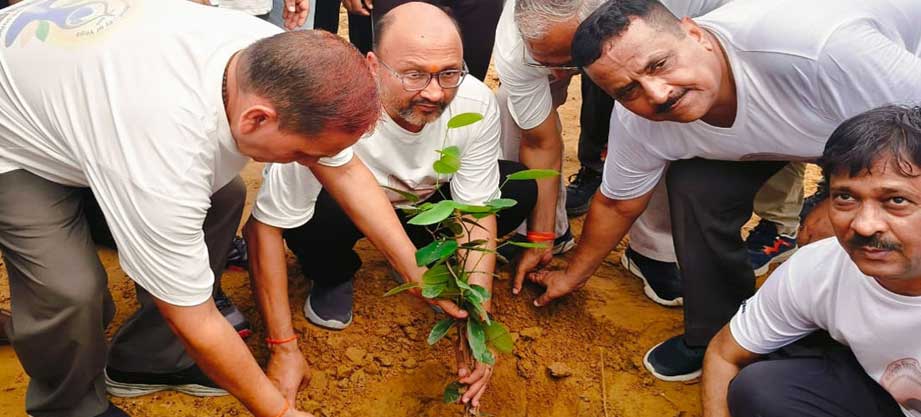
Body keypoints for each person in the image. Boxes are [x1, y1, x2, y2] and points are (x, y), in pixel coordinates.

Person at [0, 1, 380, 416]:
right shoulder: (163, 151)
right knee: (69, 291)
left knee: (226, 196)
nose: (310, 164)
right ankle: (69, 407)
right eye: (303, 154)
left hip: (76, 93)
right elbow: (194, 318)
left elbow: (347, 173)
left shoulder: (272, 61)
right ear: (256, 119)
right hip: (12, 135)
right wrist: (282, 413)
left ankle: (150, 361)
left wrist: (420, 276)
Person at [525, 0, 921, 382]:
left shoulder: (823, 51)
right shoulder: (641, 121)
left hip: (880, 117)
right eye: (628, 90)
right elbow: (617, 204)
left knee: (836, 231)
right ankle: (721, 333)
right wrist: (572, 276)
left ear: (694, 33)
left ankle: (865, 346)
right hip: (791, 131)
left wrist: (843, 199)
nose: (658, 93)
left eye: (660, 64)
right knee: (696, 189)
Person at [245, 2, 533, 408]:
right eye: (414, 74)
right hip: (346, 215)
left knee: (515, 188)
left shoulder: (473, 103)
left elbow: (474, 212)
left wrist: (477, 318)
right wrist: (282, 346)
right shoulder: (329, 111)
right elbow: (265, 226)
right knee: (309, 214)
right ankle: (332, 274)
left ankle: (438, 269)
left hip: (424, 210)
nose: (435, 92)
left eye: (449, 73)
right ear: (372, 65)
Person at [494, 0, 738, 307]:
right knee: (509, 106)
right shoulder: (517, 48)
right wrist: (540, 236)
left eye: (568, 63)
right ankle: (551, 235)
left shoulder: (665, 14)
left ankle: (652, 250)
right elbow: (540, 143)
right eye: (546, 62)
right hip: (570, 50)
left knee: (665, 114)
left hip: (639, 50)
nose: (557, 73)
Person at [702, 105, 921, 417]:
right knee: (764, 389)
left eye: (896, 201)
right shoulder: (819, 267)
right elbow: (724, 355)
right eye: (846, 198)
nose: (863, 225)